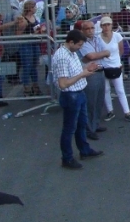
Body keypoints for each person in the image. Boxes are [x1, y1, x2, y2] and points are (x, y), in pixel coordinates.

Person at [51, 30, 104, 169]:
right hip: (71, 95)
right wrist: (83, 74)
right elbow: (63, 84)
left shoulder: (72, 52)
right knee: (69, 128)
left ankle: (84, 150)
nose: (81, 47)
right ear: (71, 42)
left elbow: (74, 70)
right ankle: (67, 158)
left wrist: (86, 68)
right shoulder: (62, 56)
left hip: (79, 93)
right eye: (79, 45)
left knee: (81, 125)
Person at [77, 20, 109, 140]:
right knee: (90, 102)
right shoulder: (82, 42)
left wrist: (101, 53)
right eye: (87, 29)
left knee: (98, 101)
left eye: (92, 28)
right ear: (82, 30)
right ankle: (88, 129)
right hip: (90, 73)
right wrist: (103, 53)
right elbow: (91, 56)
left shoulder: (97, 39)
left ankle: (95, 124)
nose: (90, 30)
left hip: (100, 71)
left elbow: (102, 51)